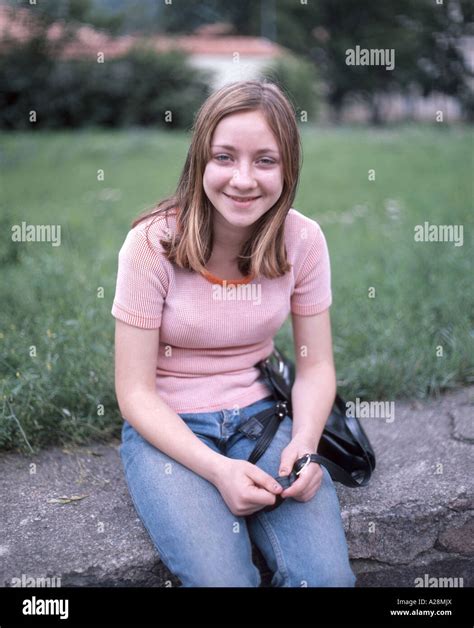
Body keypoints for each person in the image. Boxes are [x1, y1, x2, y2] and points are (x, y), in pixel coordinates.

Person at [111, 79, 356, 588]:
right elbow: (133, 391)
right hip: (170, 428)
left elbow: (316, 366)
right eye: (225, 157)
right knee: (220, 580)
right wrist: (218, 470)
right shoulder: (150, 245)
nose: (243, 179)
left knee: (326, 579)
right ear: (199, 160)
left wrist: (307, 446)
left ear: (288, 168)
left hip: (263, 420)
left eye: (265, 160)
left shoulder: (303, 240)